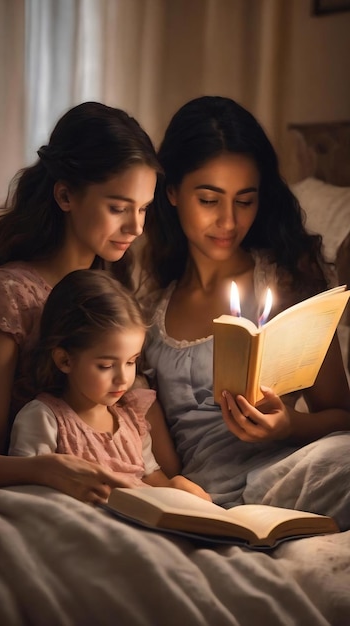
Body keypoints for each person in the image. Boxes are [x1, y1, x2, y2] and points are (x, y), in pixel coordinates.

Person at [139, 95, 350, 529]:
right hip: (204, 496)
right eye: (210, 200)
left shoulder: (287, 281)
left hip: (291, 471)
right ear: (173, 192)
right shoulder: (147, 306)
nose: (229, 222)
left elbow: (342, 416)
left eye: (245, 200)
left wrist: (288, 425)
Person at [0, 100, 160, 500]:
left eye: (143, 209)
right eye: (118, 208)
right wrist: (45, 468)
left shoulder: (113, 295)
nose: (136, 227)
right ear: (66, 195)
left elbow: (151, 456)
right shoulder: (12, 297)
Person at [9, 270, 210, 501]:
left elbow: (153, 481)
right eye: (105, 366)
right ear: (65, 360)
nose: (123, 378)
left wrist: (179, 490)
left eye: (131, 362)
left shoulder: (132, 421)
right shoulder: (44, 418)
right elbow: (27, 494)